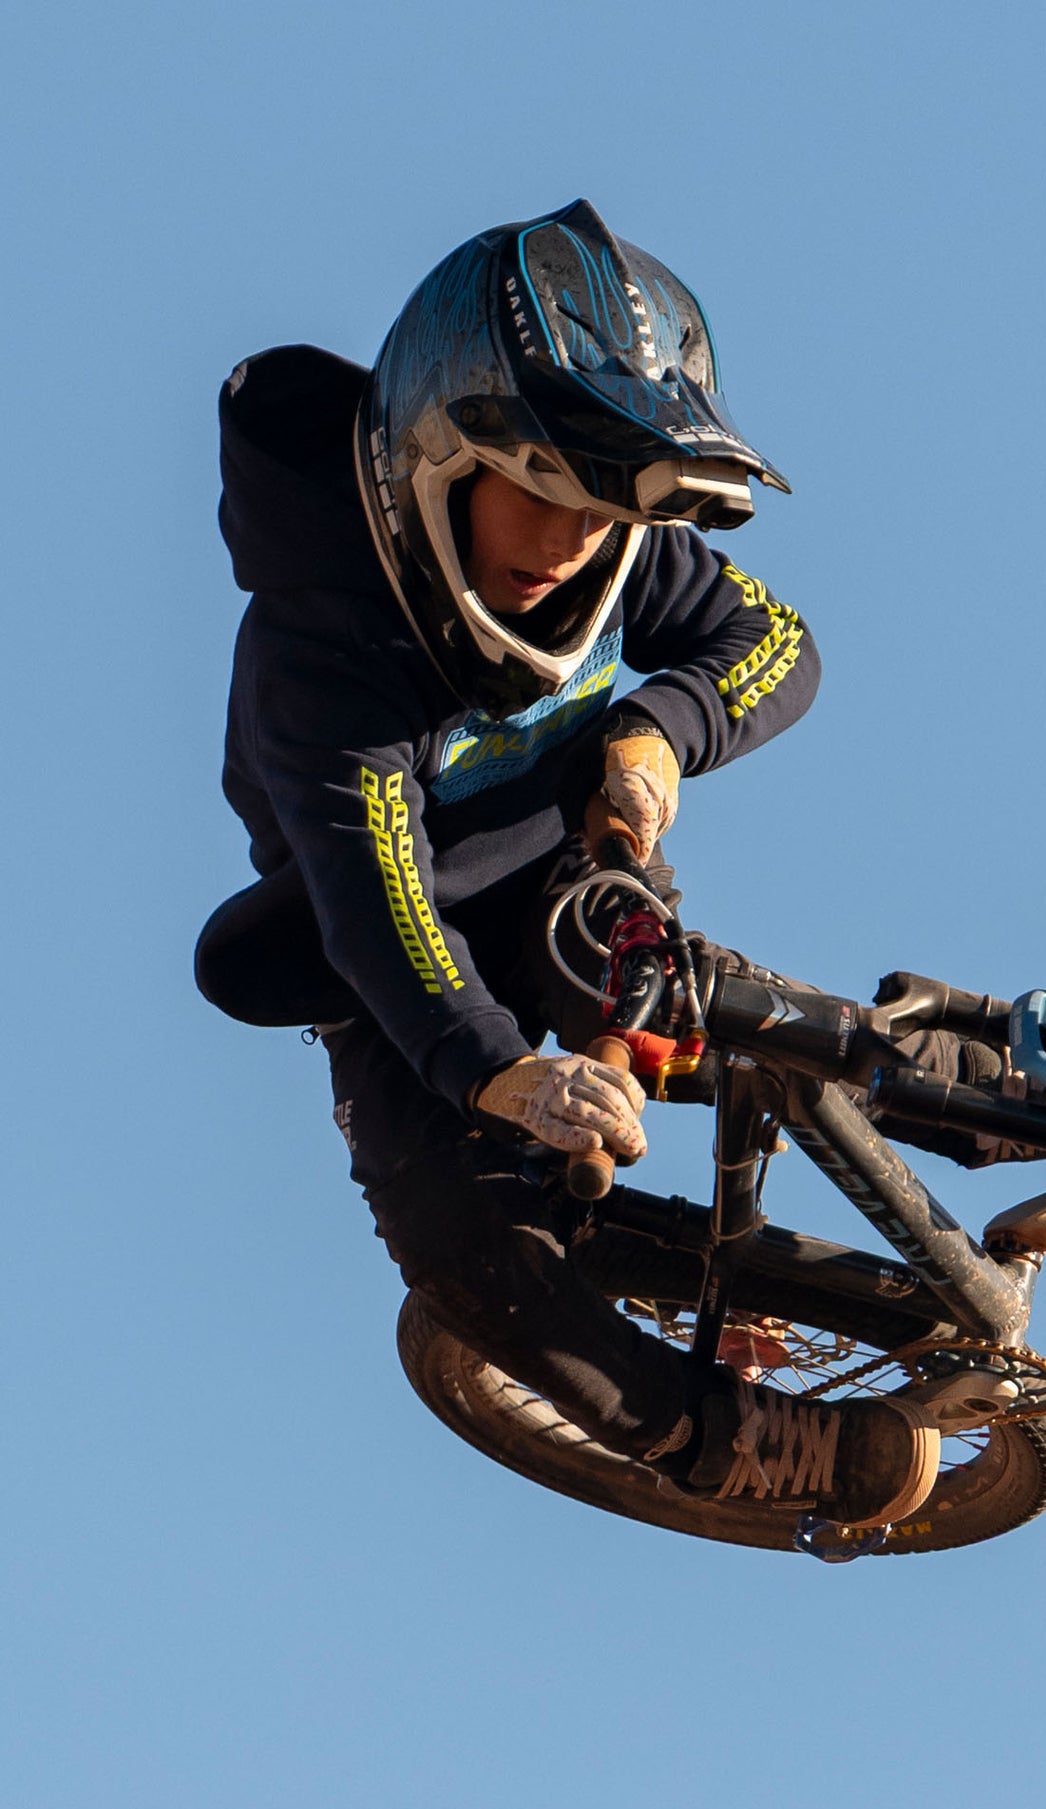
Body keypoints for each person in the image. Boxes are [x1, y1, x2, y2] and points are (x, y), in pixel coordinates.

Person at [196, 200, 940, 1527]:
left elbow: (773, 643)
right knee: (456, 1253)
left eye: (595, 512)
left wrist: (657, 735)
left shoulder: (608, 552)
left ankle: (994, 1094)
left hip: (570, 883)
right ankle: (740, 1440)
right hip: (392, 963)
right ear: (435, 460)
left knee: (678, 1000)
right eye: (535, 498)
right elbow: (385, 913)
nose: (563, 547)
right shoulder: (321, 657)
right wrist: (499, 1074)